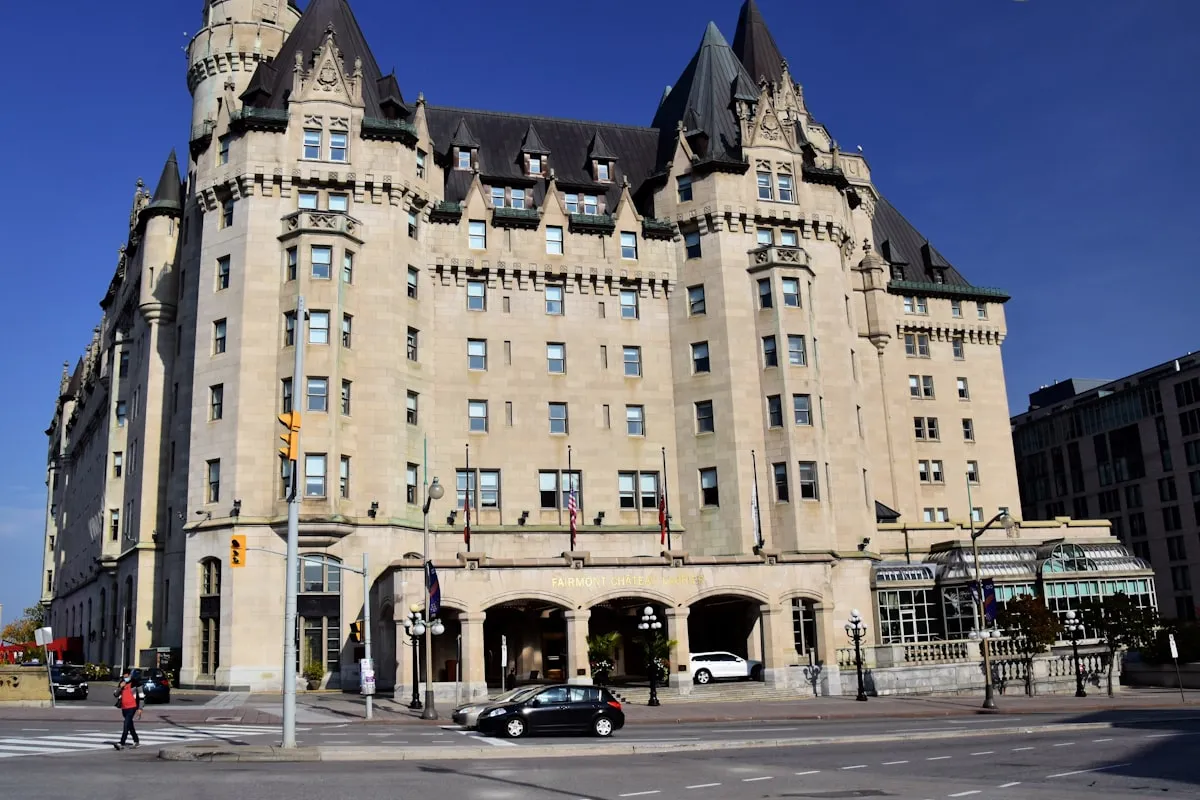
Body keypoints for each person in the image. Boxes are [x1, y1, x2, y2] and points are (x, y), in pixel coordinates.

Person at [112, 670, 144, 750]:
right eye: (124, 677)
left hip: (132, 707)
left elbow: (141, 696)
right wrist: (120, 687)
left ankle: (121, 743)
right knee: (130, 725)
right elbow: (116, 694)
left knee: (126, 724)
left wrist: (140, 708)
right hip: (124, 707)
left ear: (130, 675)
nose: (125, 678)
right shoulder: (122, 683)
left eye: (126, 677)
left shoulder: (135, 683)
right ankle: (136, 741)